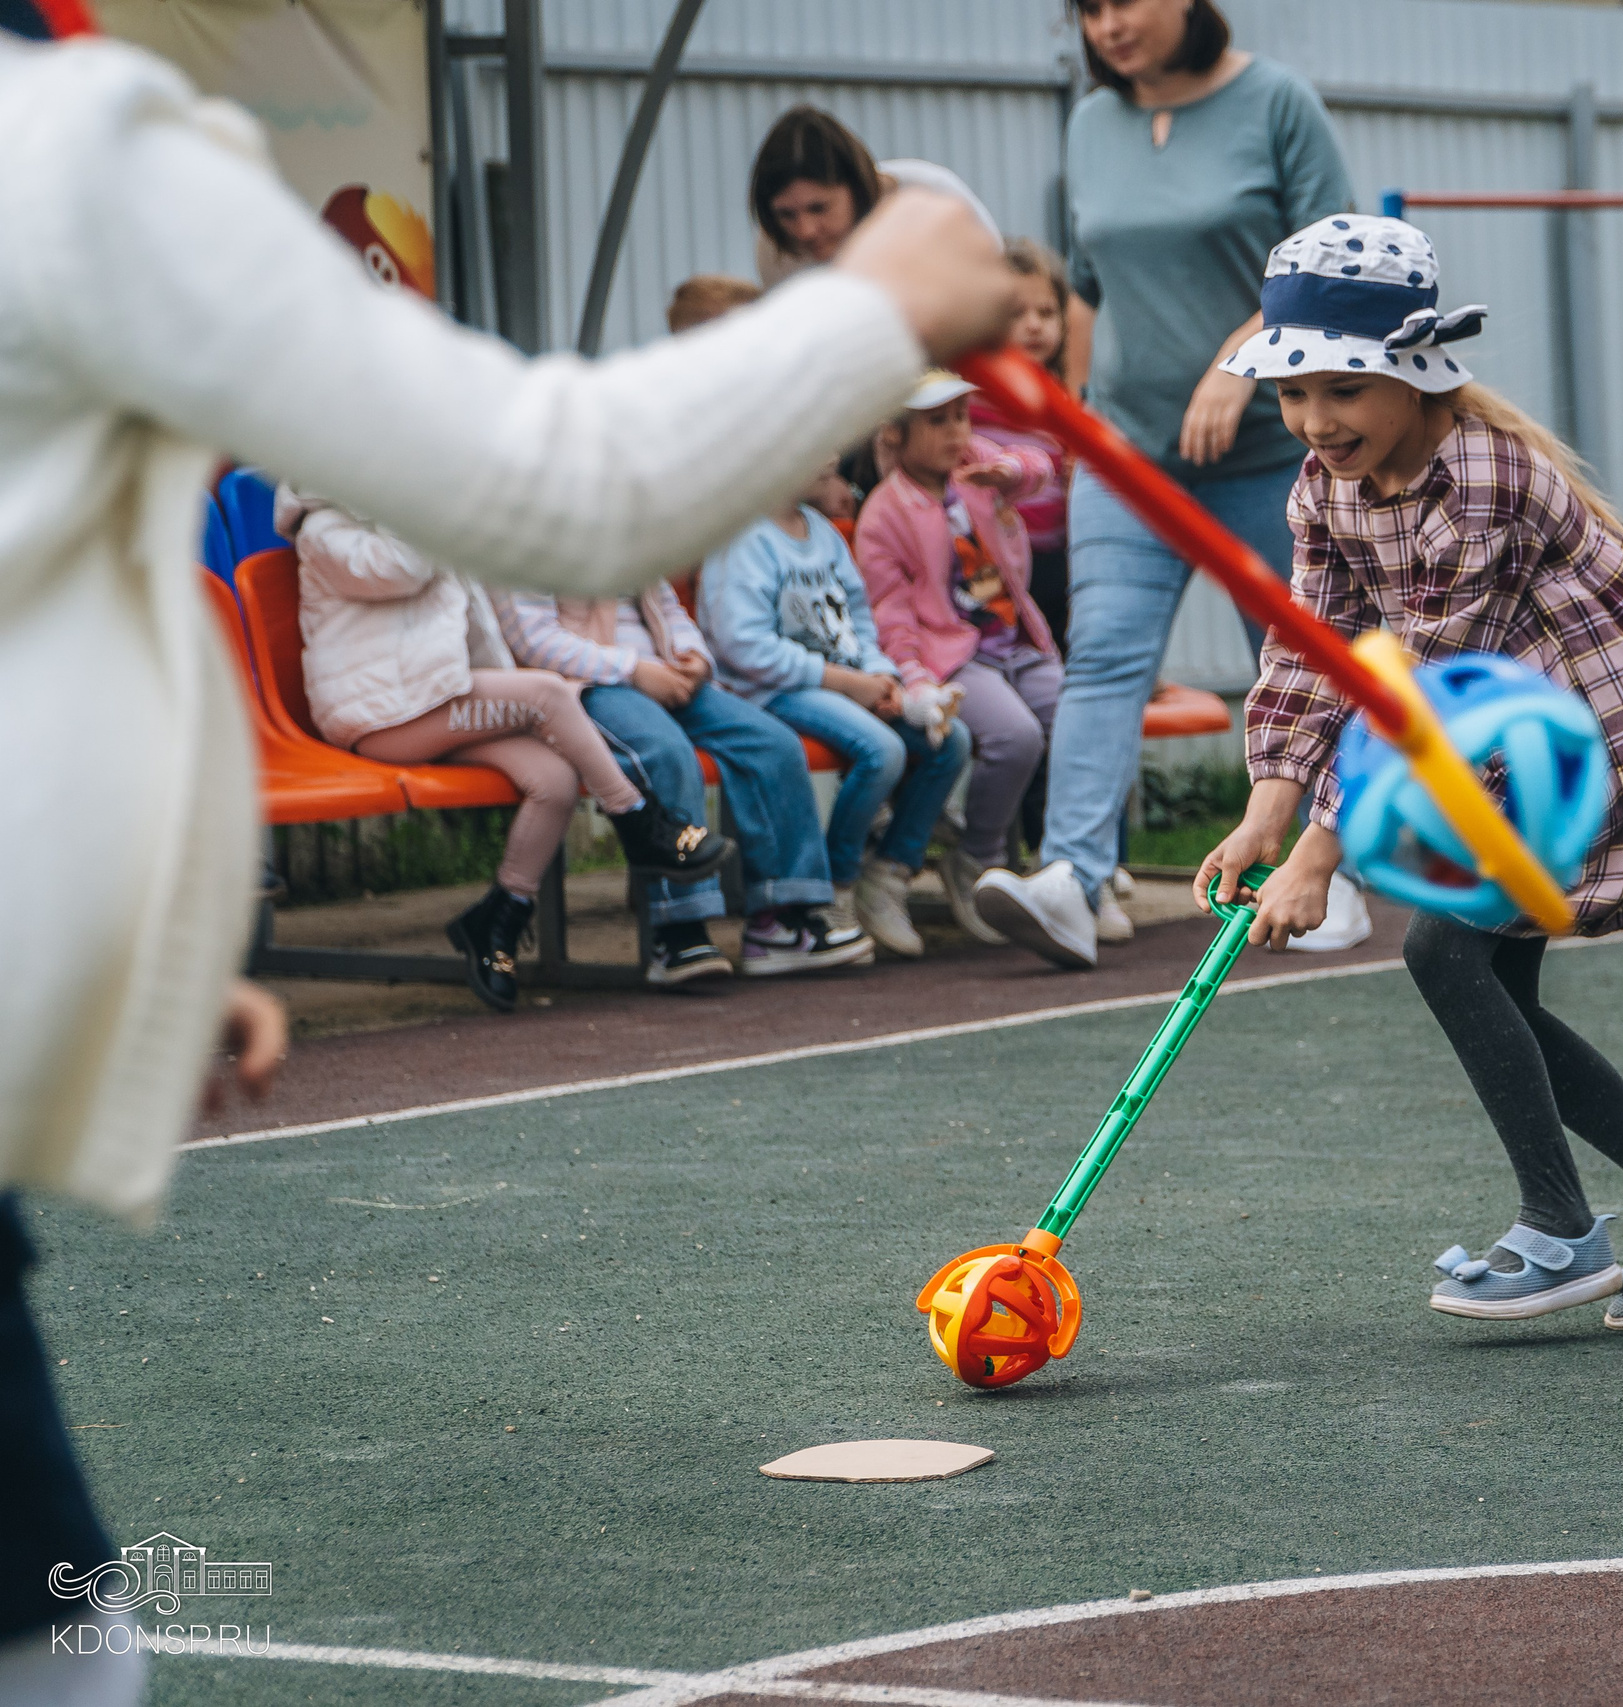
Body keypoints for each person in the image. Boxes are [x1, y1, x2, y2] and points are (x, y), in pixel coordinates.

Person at [1, 9, 1011, 1694]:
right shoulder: (62, 144)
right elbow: (569, 483)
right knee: (67, 1657)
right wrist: (881, 298)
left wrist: (129, 970)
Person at [1195, 216, 1623, 1330]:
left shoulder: (1480, 478)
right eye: (1293, 394)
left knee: (1446, 950)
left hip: (1584, 741)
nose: (1316, 422)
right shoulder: (1325, 489)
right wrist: (1267, 805)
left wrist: (1321, 854)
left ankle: (1561, 1228)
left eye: (1343, 390)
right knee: (1484, 978)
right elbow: (1317, 650)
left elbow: (1424, 691)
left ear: (1412, 374)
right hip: (1492, 746)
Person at [975, 0, 1368, 970]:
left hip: (1269, 464)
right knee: (1103, 656)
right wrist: (1074, 413)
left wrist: (1238, 365)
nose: (1107, 24)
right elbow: (1085, 289)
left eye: (1126, 1)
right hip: (1127, 461)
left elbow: (1326, 274)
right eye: (1089, 9)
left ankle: (1331, 876)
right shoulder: (1090, 123)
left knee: (1302, 667)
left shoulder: (1276, 104)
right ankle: (1071, 879)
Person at [281, 484, 730, 1009]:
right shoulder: (323, 531)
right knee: (547, 693)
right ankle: (638, 821)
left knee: (554, 781)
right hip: (381, 718)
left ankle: (498, 921)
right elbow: (404, 568)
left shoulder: (403, 514)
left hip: (432, 701)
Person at [497, 579, 873, 982]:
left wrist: (690, 655)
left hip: (665, 673)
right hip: (586, 686)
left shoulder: (630, 522)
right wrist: (634, 670)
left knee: (774, 744)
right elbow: (532, 641)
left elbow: (668, 608)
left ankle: (780, 921)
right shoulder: (526, 533)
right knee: (668, 753)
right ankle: (678, 930)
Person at [700, 459, 972, 959]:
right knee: (882, 751)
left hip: (844, 682)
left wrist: (881, 677)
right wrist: (849, 683)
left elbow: (858, 622)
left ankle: (888, 873)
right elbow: (745, 648)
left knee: (950, 742)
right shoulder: (742, 538)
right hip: (771, 692)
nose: (833, 459)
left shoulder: (822, 533)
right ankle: (835, 887)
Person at [856, 373, 1062, 944]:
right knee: (1015, 738)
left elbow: (1041, 467)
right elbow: (891, 617)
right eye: (937, 420)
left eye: (962, 417)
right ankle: (979, 859)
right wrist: (919, 684)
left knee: (1074, 721)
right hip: (953, 659)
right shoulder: (884, 514)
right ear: (896, 435)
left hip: (1017, 642)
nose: (956, 432)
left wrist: (1012, 472)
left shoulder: (976, 465)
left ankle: (1070, 868)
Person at [749, 104, 1000, 289]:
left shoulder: (933, 198)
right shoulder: (776, 251)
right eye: (786, 215)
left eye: (819, 208)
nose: (805, 230)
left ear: (856, 186)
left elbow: (998, 286)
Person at [975, 238, 1076, 651]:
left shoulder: (1064, 397)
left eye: (1047, 313)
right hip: (995, 558)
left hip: (1053, 554)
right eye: (1017, 314)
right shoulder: (973, 397)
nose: (1034, 325)